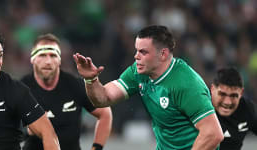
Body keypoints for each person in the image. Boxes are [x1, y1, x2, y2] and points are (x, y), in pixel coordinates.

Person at [73, 25, 224, 150]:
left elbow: (213, 134)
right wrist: (90, 79)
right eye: (136, 50)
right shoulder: (139, 72)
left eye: (143, 52)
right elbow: (104, 98)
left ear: (163, 54)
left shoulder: (186, 84)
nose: (136, 56)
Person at [21, 33, 112, 150]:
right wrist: (25, 130)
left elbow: (105, 113)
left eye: (53, 55)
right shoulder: (21, 89)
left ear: (59, 60)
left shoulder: (74, 85)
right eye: (42, 55)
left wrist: (97, 147)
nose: (48, 61)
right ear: (32, 59)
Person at [210, 67, 257, 150]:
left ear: (241, 93)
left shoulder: (247, 109)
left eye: (233, 95)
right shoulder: (200, 109)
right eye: (222, 94)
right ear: (213, 89)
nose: (227, 102)